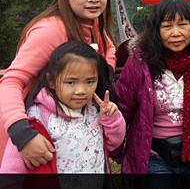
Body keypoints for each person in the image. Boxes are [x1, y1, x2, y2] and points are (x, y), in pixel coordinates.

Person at [0, 0, 116, 169]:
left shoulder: (93, 24)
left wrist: (103, 73)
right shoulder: (51, 30)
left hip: (80, 135)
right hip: (39, 134)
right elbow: (11, 81)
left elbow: (109, 49)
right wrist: (22, 132)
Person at [116, 0, 190, 184]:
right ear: (156, 31)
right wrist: (122, 154)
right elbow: (123, 110)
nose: (176, 33)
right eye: (167, 26)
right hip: (154, 157)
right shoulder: (141, 63)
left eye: (182, 24)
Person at [0, 41, 125, 175]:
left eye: (90, 81)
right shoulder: (36, 118)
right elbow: (12, 168)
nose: (81, 90)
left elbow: (114, 143)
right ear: (51, 81)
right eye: (71, 82)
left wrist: (111, 119)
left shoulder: (94, 110)